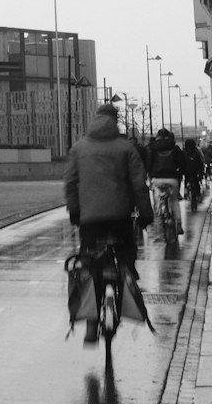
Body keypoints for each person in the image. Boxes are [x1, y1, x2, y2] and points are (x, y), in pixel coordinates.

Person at [64, 102, 153, 344]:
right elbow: (138, 185)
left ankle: (91, 323)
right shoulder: (126, 148)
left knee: (88, 265)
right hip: (120, 217)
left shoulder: (79, 148)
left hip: (90, 219)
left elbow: (71, 183)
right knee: (125, 258)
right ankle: (126, 293)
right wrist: (145, 213)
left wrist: (75, 211)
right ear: (116, 121)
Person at [143, 126, 187, 234]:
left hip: (157, 179)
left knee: (157, 200)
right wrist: (179, 175)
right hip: (172, 179)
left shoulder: (152, 149)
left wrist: (149, 174)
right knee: (174, 201)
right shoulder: (175, 148)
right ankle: (179, 224)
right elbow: (182, 165)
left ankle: (159, 218)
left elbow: (148, 164)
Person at [182, 138, 206, 206]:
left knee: (186, 179)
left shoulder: (184, 152)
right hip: (195, 170)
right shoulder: (197, 151)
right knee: (196, 181)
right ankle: (198, 195)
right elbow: (201, 160)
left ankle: (186, 192)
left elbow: (181, 161)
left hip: (187, 170)